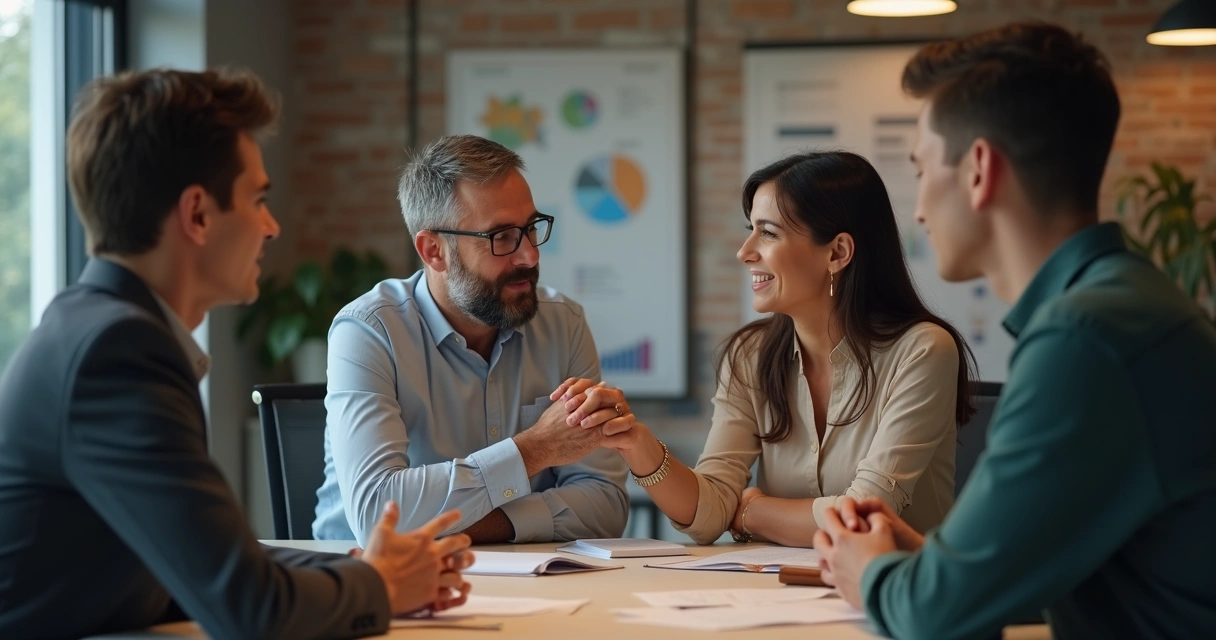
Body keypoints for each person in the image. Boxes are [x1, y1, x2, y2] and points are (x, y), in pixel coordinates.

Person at [0, 68, 473, 639]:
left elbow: (210, 560)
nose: (272, 227)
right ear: (197, 214)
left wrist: (368, 570)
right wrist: (379, 586)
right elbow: (249, 609)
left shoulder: (97, 327)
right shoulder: (118, 354)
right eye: (258, 199)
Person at [812, 21, 1216, 640]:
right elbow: (1044, 578)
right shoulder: (1121, 306)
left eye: (921, 171)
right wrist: (930, 564)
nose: (917, 208)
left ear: (978, 170)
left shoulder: (1086, 338)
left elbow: (934, 619)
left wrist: (869, 574)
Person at [558, 150, 976, 547]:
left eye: (769, 233)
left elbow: (864, 516)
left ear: (837, 252)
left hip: (890, 599)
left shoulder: (923, 350)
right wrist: (638, 444)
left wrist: (751, 512)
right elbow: (707, 515)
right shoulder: (750, 356)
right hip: (779, 598)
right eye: (750, 229)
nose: (745, 252)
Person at [313, 134, 631, 545]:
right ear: (433, 251)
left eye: (531, 228)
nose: (530, 256)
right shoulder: (369, 331)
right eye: (501, 237)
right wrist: (536, 448)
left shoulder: (563, 323)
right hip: (371, 586)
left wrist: (467, 525)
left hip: (530, 583)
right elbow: (379, 515)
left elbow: (606, 505)